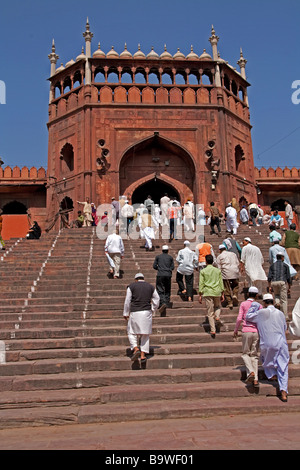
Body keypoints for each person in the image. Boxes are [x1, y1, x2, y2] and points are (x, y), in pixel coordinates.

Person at [246, 293, 289, 402]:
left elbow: (248, 316)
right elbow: (285, 327)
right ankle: (284, 391)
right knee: (283, 365)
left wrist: (255, 305)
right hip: (281, 342)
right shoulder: (280, 313)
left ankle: (271, 375)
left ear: (264, 303)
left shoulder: (261, 313)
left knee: (266, 360)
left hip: (267, 343)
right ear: (273, 302)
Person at [123, 273, 160, 365]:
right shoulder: (150, 287)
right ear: (143, 279)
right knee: (145, 334)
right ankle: (143, 355)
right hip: (146, 312)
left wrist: (126, 313)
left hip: (135, 311)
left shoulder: (131, 286)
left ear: (136, 279)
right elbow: (157, 298)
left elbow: (127, 301)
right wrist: (153, 308)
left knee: (131, 331)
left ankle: (135, 348)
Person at [233, 286, 262, 387]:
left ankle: (250, 372)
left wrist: (236, 330)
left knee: (246, 354)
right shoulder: (259, 305)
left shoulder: (244, 304)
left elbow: (239, 318)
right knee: (254, 355)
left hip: (246, 330)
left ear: (248, 294)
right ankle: (256, 379)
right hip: (256, 331)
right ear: (257, 295)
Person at [199, 254, 225, 338]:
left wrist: (200, 294)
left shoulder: (203, 271)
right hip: (217, 291)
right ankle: (217, 316)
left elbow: (201, 283)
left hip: (207, 292)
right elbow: (221, 282)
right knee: (217, 307)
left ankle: (213, 330)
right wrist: (222, 292)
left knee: (210, 312)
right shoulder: (217, 271)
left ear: (206, 261)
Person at [267, 252, 291, 319]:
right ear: (282, 257)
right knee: (284, 300)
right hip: (282, 282)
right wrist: (289, 287)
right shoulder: (285, 266)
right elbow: (288, 278)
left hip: (274, 282)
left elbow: (269, 277)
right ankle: (285, 316)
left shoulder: (272, 266)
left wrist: (269, 286)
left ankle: (277, 303)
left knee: (277, 295)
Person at [153, 245, 174, 315]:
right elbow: (172, 267)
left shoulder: (158, 257)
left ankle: (162, 302)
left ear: (162, 250)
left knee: (160, 289)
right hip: (168, 274)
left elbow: (154, 266)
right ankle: (167, 302)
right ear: (168, 250)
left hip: (160, 274)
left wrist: (160, 269)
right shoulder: (170, 257)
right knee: (167, 289)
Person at [217, 244, 240, 309]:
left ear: (219, 250)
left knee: (226, 288)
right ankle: (235, 294)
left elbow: (219, 268)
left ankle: (230, 302)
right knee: (235, 285)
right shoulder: (233, 254)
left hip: (226, 273)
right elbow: (237, 263)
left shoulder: (219, 256)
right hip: (235, 272)